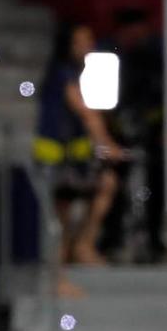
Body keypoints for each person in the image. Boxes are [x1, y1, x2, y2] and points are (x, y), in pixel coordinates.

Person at [34, 23, 126, 273]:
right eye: (81, 41)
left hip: (71, 156)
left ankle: (80, 248)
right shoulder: (62, 74)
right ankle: (63, 266)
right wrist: (106, 145)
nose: (88, 46)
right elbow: (85, 112)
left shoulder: (76, 74)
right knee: (61, 214)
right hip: (56, 158)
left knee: (104, 185)